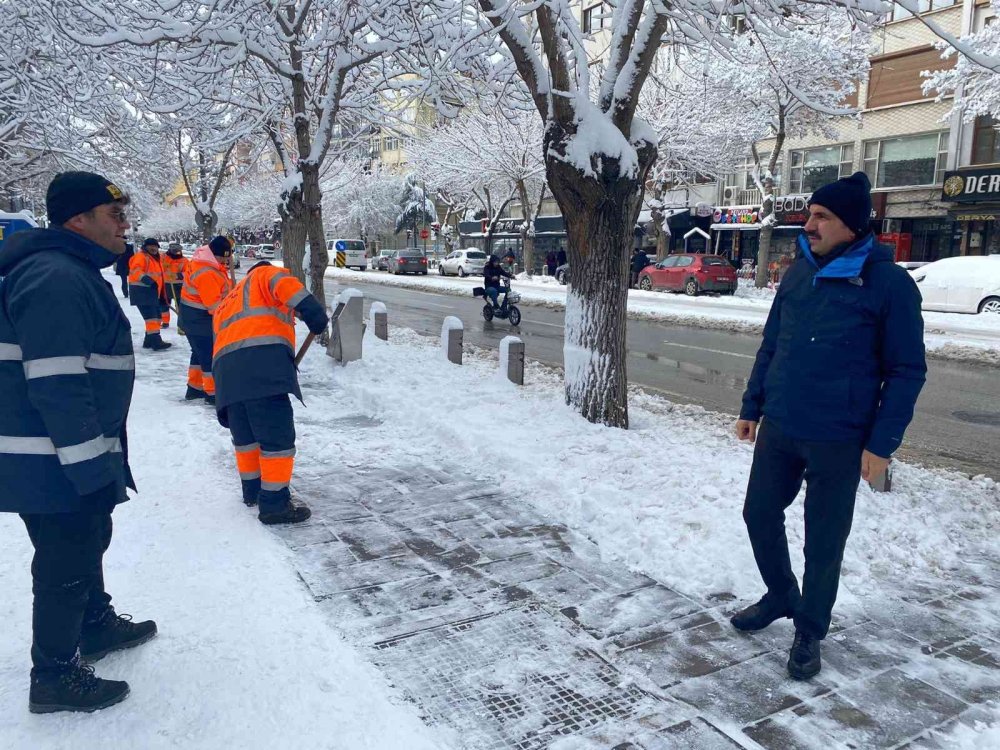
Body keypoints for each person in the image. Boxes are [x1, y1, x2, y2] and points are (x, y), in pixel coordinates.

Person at [732, 172, 926, 681]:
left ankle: (810, 629)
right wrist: (752, 406)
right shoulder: (799, 273)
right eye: (810, 215)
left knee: (824, 540)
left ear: (852, 225)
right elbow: (773, 344)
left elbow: (906, 371)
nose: (809, 224)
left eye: (822, 217)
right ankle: (780, 594)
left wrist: (882, 445)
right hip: (781, 425)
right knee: (758, 514)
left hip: (840, 436)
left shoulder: (890, 285)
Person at [0, 171, 156, 714]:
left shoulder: (66, 270)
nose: (125, 225)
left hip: (56, 452)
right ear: (78, 220)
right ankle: (55, 675)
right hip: (52, 456)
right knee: (68, 553)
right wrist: (91, 468)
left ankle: (93, 624)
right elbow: (58, 382)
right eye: (115, 215)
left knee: (86, 538)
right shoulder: (56, 277)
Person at [212, 259, 329, 523]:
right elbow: (286, 286)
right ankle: (274, 505)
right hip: (260, 366)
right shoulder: (265, 274)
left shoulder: (229, 300)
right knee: (277, 439)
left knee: (246, 438)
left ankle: (253, 491)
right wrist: (313, 313)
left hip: (226, 375)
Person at [179, 237, 233, 404]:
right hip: (199, 319)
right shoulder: (206, 272)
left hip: (193, 317)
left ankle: (194, 388)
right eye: (222, 257)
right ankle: (212, 393)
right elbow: (214, 306)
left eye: (227, 258)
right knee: (209, 354)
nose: (224, 261)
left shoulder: (206, 263)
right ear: (213, 254)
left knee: (199, 352)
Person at [128, 238, 171, 351]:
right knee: (152, 317)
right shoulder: (141, 257)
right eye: (151, 246)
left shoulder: (156, 259)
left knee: (156, 316)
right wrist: (147, 280)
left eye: (155, 246)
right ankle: (156, 342)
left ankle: (148, 341)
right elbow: (135, 270)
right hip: (142, 291)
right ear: (145, 247)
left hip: (152, 292)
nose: (154, 248)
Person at [161, 242, 186, 330]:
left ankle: (182, 324)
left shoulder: (184, 261)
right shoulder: (163, 258)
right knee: (164, 304)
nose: (177, 253)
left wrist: (178, 275)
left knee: (180, 306)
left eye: (178, 251)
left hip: (179, 286)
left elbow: (188, 273)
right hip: (165, 285)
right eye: (175, 251)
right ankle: (165, 322)